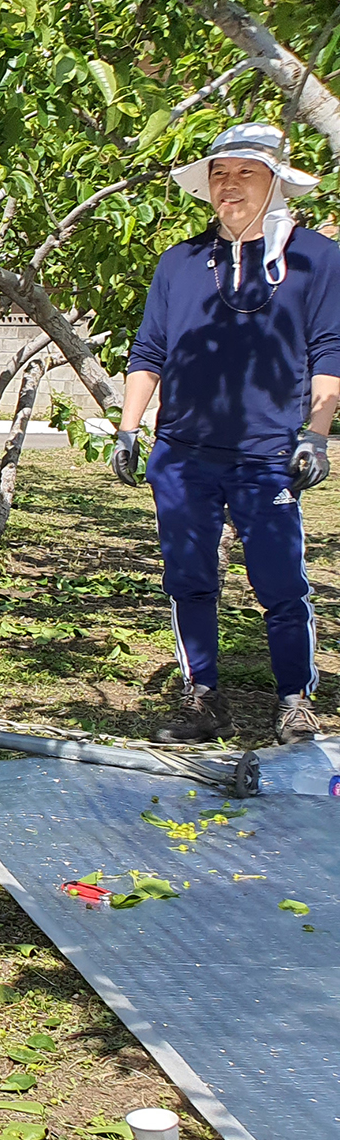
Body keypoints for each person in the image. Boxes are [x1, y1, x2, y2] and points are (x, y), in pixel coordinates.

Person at [113, 123, 340, 744]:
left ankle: (294, 699)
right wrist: (129, 429)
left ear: (275, 182)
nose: (229, 185)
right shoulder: (181, 263)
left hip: (267, 454)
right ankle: (203, 698)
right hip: (182, 454)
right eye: (219, 174)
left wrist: (315, 434)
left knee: (280, 581)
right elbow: (149, 348)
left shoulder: (315, 259)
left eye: (246, 173)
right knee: (188, 577)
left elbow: (329, 350)